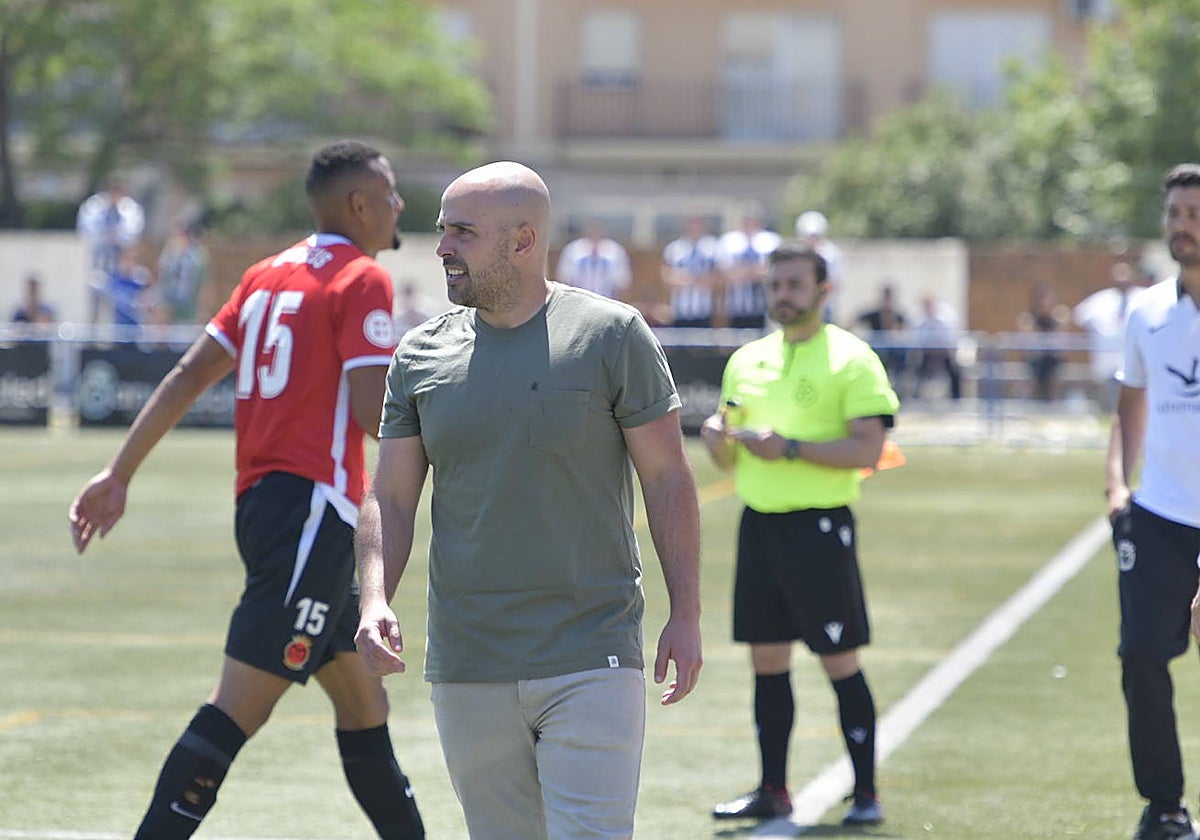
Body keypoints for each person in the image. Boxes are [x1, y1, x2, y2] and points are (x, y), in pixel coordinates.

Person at [68, 140, 425, 839]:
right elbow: (370, 410)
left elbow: (186, 377)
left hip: (266, 508)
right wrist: (460, 453)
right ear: (358, 205)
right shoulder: (362, 279)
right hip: (314, 518)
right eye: (389, 193)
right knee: (240, 706)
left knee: (363, 705)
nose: (399, 205)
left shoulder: (265, 275)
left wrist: (119, 472)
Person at [355, 161, 703, 840]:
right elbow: (388, 496)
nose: (443, 248)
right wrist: (373, 598)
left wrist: (685, 612)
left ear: (521, 241)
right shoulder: (419, 354)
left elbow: (667, 478)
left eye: (463, 232)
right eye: (442, 230)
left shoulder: (612, 335)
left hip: (591, 652)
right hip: (467, 661)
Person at [701, 242, 899, 827]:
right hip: (759, 525)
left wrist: (789, 448)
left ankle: (866, 793)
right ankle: (772, 789)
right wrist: (717, 438)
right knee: (767, 660)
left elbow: (870, 448)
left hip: (819, 528)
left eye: (793, 284)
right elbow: (728, 463)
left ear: (823, 291)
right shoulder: (747, 359)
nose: (782, 295)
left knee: (839, 659)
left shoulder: (852, 358)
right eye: (774, 286)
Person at [1109, 163, 1200, 840]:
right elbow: (1130, 400)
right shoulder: (1145, 312)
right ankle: (1164, 805)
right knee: (1142, 654)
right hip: (1161, 514)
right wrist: (1116, 482)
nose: (1182, 226)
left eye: (1194, 214)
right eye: (1174, 213)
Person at [1074, 261, 1146, 413]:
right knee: (1109, 401)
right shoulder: (1101, 299)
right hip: (1106, 359)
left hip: (1135, 357)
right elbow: (1078, 317)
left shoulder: (1144, 296)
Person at [77, 180, 145, 324]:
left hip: (118, 267)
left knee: (118, 306)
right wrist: (106, 234)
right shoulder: (94, 208)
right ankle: (92, 337)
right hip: (99, 264)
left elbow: (132, 233)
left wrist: (116, 235)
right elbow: (87, 231)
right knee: (95, 304)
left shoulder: (129, 210)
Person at [716, 206, 781, 329]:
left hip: (765, 306)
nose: (750, 223)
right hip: (736, 307)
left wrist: (744, 272)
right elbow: (724, 274)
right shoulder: (728, 241)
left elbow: (773, 271)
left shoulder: (771, 241)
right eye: (746, 219)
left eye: (753, 219)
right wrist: (753, 271)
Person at [661, 214, 720, 327]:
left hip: (705, 311)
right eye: (691, 223)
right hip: (680, 311)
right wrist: (694, 279)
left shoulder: (713, 247)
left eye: (697, 223)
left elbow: (718, 277)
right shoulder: (674, 248)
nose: (694, 227)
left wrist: (684, 278)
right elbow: (667, 277)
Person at [554, 219, 633, 301]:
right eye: (591, 231)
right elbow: (563, 278)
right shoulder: (572, 249)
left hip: (607, 300)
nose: (594, 234)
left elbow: (623, 282)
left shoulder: (615, 250)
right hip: (578, 300)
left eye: (597, 231)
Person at [1017, 281, 1069, 402]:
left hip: (1053, 359)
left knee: (1051, 366)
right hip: (1034, 360)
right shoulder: (1028, 318)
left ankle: (1051, 399)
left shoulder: (1057, 317)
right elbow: (1028, 341)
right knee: (1038, 366)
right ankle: (1036, 398)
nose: (1045, 302)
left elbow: (1061, 341)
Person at [156, 218, 211, 325]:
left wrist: (202, 311)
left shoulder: (198, 259)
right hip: (169, 307)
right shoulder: (167, 257)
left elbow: (204, 286)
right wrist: (161, 307)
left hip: (189, 307)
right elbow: (161, 282)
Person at [855, 282, 909, 389]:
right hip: (876, 349)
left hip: (893, 350)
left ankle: (899, 385)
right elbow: (855, 320)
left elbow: (904, 331)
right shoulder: (873, 313)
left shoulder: (898, 314)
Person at [911, 292, 962, 401]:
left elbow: (950, 337)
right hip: (926, 353)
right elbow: (917, 338)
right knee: (916, 371)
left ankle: (956, 398)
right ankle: (915, 398)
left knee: (955, 372)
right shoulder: (918, 318)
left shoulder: (947, 315)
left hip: (943, 352)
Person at [795, 210, 843, 323]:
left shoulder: (831, 254)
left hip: (825, 308)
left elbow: (835, 282)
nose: (812, 240)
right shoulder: (796, 255)